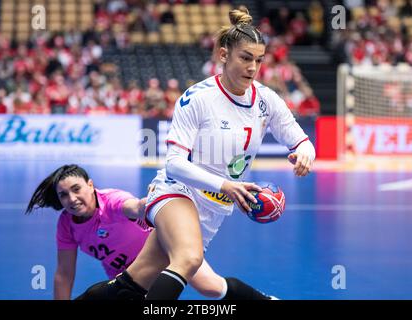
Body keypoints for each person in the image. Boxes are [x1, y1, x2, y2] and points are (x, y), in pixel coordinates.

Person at [79, 5, 315, 300]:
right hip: (177, 191)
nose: (253, 68)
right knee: (188, 259)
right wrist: (226, 185)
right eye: (245, 58)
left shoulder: (267, 100)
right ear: (224, 55)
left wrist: (306, 153)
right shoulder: (198, 99)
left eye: (258, 60)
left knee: (146, 279)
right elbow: (175, 164)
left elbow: (300, 140)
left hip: (213, 208)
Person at [25, 164, 275, 300]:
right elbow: (64, 274)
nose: (72, 199)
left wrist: (155, 200)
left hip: (166, 250)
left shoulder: (112, 201)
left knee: (210, 287)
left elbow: (135, 206)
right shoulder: (66, 224)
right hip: (128, 277)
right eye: (64, 195)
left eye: (77, 189)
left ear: (91, 186)